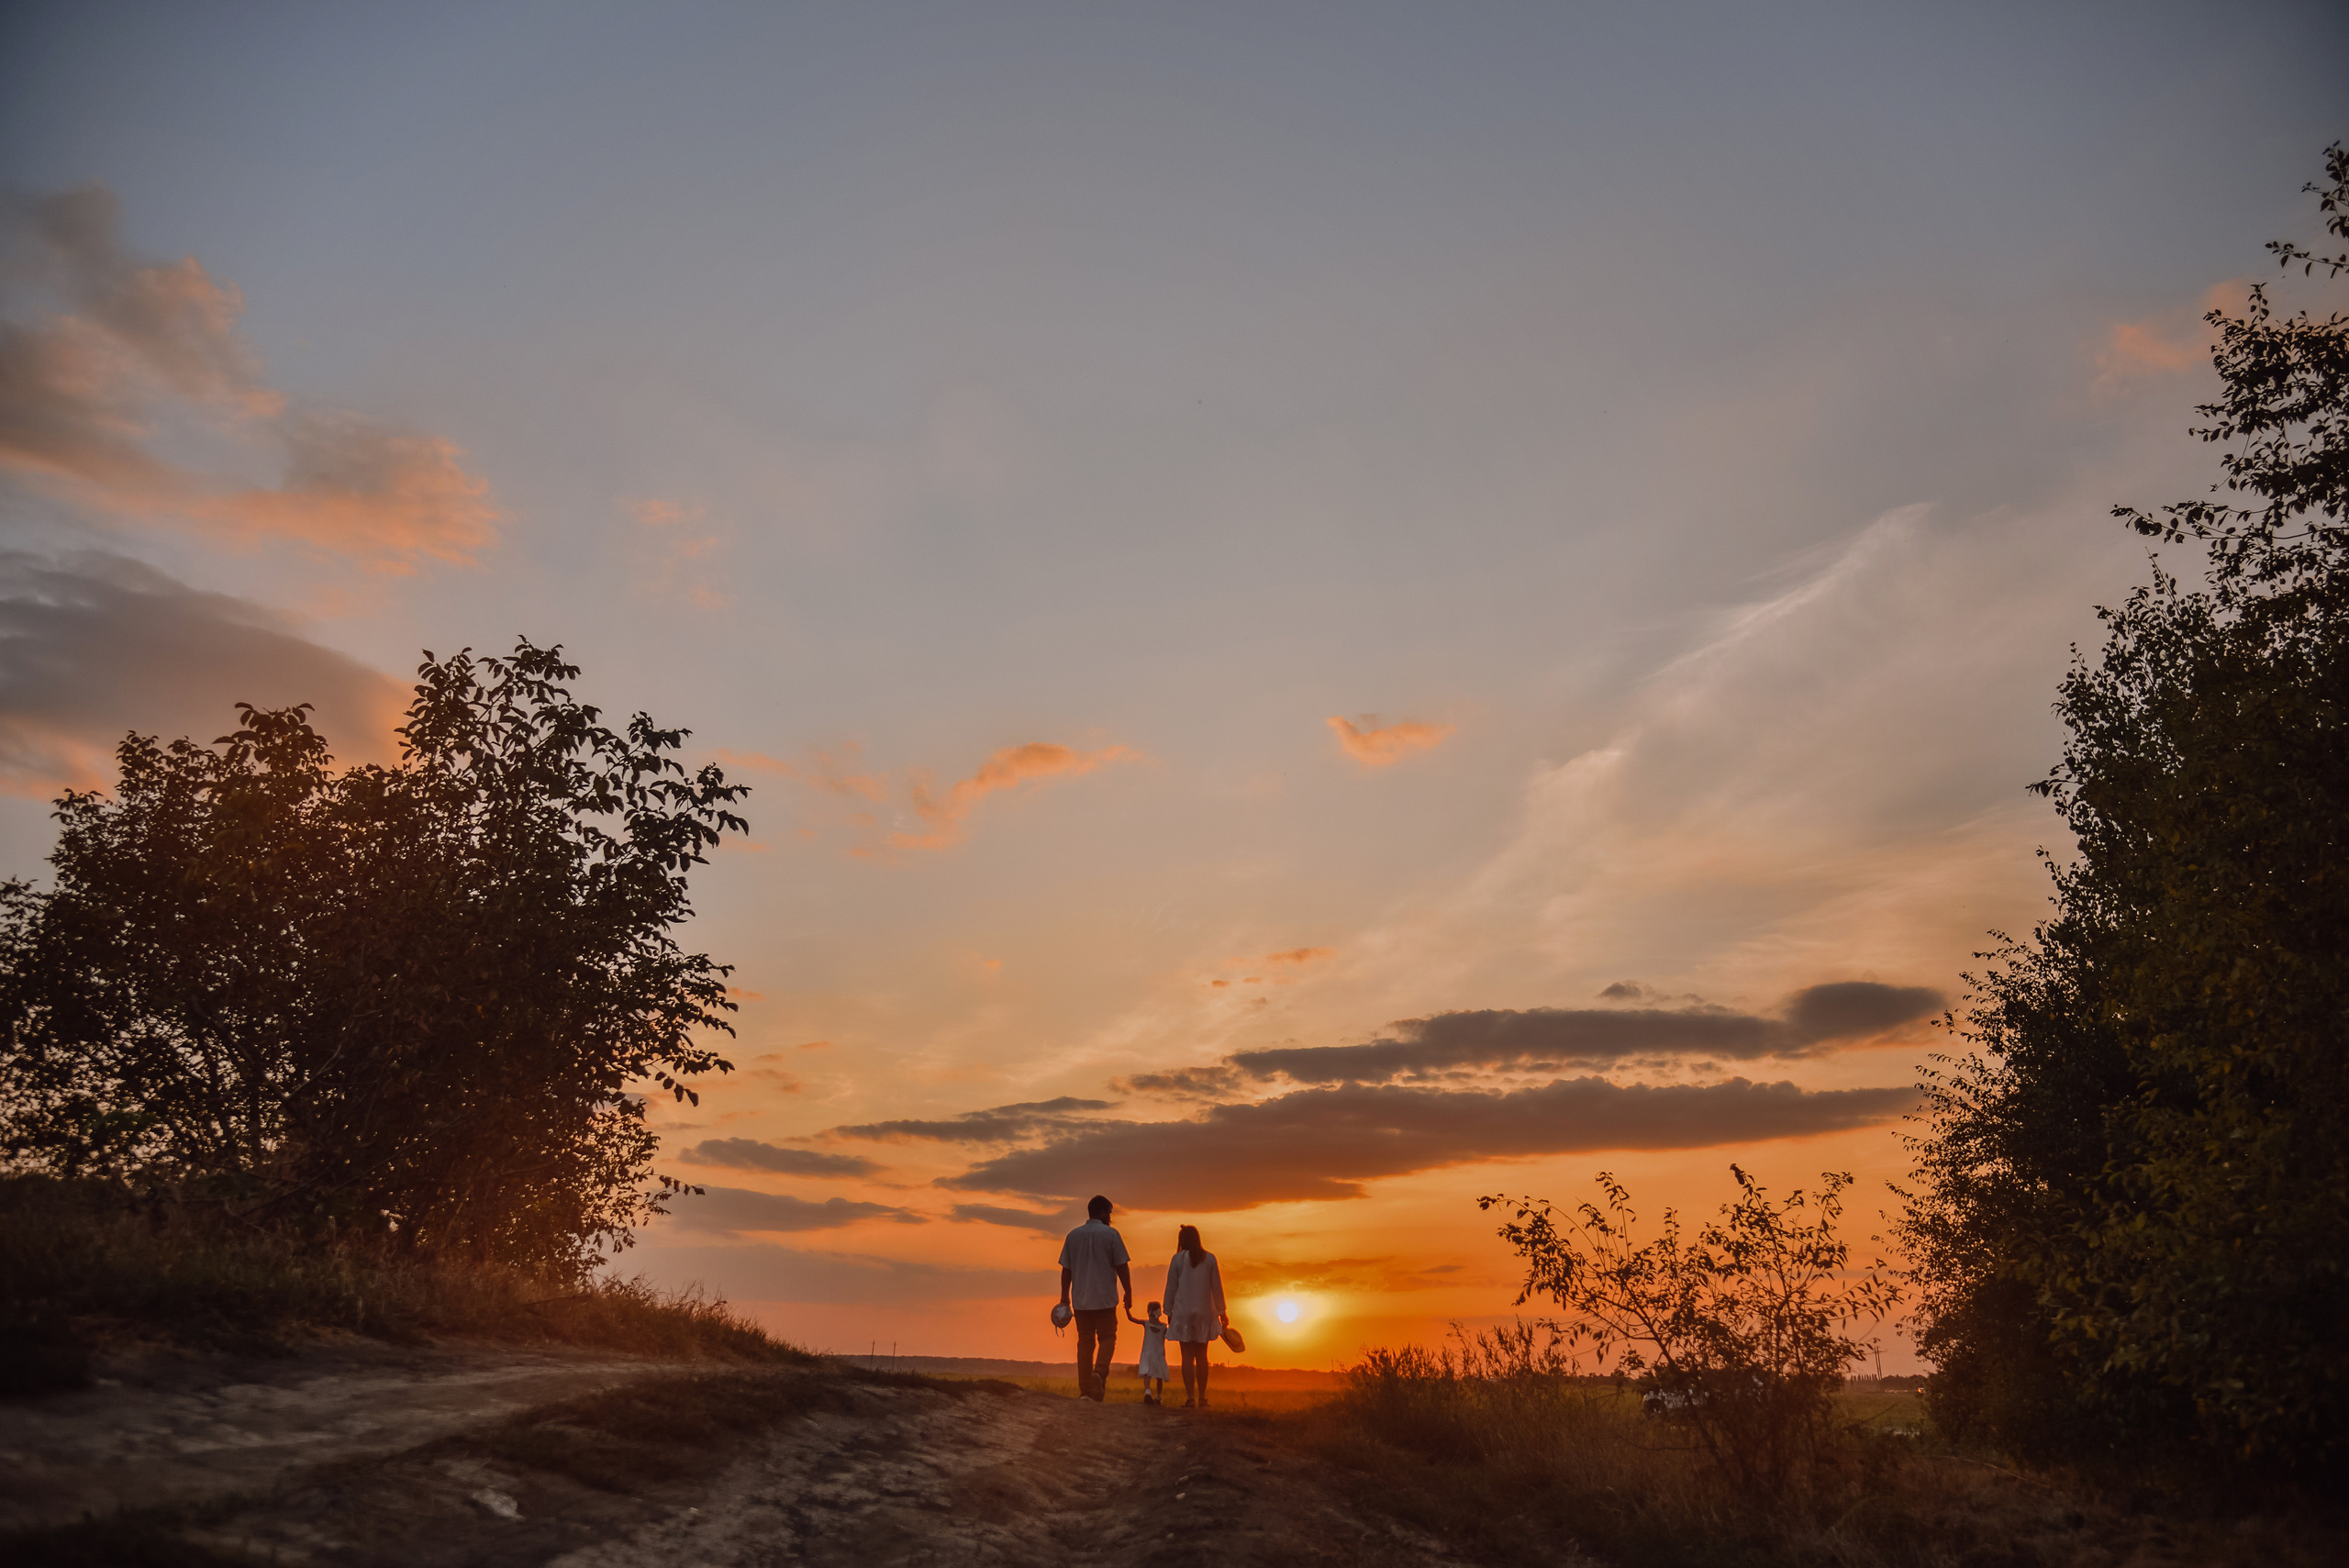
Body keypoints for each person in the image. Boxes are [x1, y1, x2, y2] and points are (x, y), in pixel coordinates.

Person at [1056, 1194, 1132, 1402]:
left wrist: (1065, 1297)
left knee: (1085, 1343)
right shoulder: (1111, 1235)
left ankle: (1085, 1391)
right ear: (1100, 1212)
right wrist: (1128, 1292)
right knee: (1108, 1338)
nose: (1110, 1216)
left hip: (1081, 1300)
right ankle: (1099, 1373)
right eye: (1109, 1212)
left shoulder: (1073, 1236)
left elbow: (1066, 1270)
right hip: (1105, 1299)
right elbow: (1122, 1266)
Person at [1163, 1224, 1228, 1408]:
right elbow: (1217, 1287)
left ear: (1182, 1240)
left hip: (1183, 1313)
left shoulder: (1177, 1259)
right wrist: (1222, 1312)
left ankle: (1190, 1397)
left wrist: (1168, 1311)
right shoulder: (1210, 1259)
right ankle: (1202, 1396)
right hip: (1204, 1313)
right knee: (1202, 1356)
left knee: (1186, 1357)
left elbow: (1171, 1287)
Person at [1127, 1299, 1171, 1406]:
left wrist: (1127, 1309)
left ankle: (1148, 1392)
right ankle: (1156, 1396)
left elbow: (1131, 1319)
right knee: (1157, 1375)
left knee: (1148, 1373)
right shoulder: (1163, 1327)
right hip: (1157, 1353)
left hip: (1152, 1352)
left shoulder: (1149, 1324)